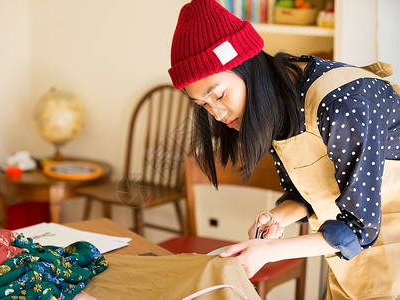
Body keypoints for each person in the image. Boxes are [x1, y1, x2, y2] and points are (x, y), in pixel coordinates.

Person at [168, 0, 400, 299]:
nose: (218, 114)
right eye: (204, 105)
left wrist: (268, 252)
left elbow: (360, 227)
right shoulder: (277, 105)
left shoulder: (342, 106)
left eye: (220, 95)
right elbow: (310, 193)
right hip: (352, 265)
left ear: (247, 66)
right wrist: (277, 217)